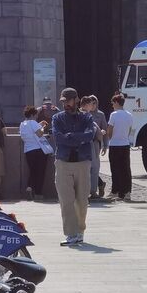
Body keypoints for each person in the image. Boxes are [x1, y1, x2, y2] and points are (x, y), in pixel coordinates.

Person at [52, 88, 98, 246]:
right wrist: (78, 138)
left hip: (82, 162)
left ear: (76, 100)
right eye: (63, 101)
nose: (65, 104)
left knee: (82, 200)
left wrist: (70, 137)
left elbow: (90, 135)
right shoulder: (57, 118)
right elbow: (57, 138)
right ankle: (71, 234)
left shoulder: (86, 117)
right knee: (66, 201)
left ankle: (80, 231)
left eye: (68, 101)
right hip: (63, 162)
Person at [106, 93, 134, 200]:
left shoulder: (114, 114)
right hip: (125, 144)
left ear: (117, 102)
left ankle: (115, 191)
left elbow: (110, 129)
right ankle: (127, 192)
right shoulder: (129, 114)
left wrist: (109, 137)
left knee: (115, 169)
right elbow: (130, 130)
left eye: (113, 103)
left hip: (115, 144)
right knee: (126, 169)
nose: (112, 105)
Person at [19, 106, 51, 200]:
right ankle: (38, 193)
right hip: (39, 150)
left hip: (28, 150)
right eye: (36, 114)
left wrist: (39, 125)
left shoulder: (22, 124)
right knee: (40, 172)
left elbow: (29, 132)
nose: (37, 116)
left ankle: (29, 187)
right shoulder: (33, 122)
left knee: (32, 170)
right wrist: (43, 127)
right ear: (33, 114)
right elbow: (39, 134)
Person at [82, 95, 108, 199]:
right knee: (91, 168)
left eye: (94, 103)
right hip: (88, 143)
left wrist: (105, 145)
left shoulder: (100, 114)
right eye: (91, 103)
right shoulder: (84, 115)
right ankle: (92, 190)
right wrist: (99, 132)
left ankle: (93, 190)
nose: (93, 105)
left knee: (93, 168)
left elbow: (104, 128)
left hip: (96, 144)